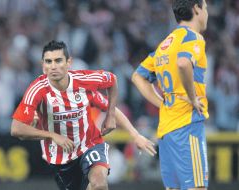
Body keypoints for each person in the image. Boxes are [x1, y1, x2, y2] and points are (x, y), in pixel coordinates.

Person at [11, 40, 155, 190]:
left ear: (68, 63)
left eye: (58, 60)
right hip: (61, 157)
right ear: (43, 66)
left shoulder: (84, 82)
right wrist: (52, 135)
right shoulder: (37, 90)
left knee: (99, 183)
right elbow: (16, 129)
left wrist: (127, 129)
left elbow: (112, 80)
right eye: (49, 61)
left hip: (89, 144)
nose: (53, 66)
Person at [131, 0, 209, 189]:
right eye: (205, 7)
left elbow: (137, 77)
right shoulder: (193, 38)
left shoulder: (165, 45)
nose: (207, 13)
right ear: (197, 8)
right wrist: (191, 97)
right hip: (187, 125)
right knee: (197, 187)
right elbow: (183, 63)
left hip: (166, 130)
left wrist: (162, 104)